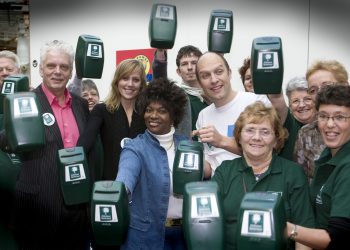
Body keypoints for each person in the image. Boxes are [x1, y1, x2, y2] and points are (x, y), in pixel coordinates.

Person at [0, 40, 93, 249]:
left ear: (70, 72)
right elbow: (5, 140)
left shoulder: (80, 105)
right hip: (37, 211)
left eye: (64, 67)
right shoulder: (26, 101)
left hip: (76, 209)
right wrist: (15, 132)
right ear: (41, 69)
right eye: (51, 65)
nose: (57, 71)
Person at [212, 101, 314, 250]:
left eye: (265, 132)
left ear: (276, 139)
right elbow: (210, 224)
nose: (257, 137)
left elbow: (304, 233)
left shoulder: (292, 173)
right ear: (239, 137)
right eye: (250, 130)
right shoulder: (225, 171)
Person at [116, 78, 188, 249]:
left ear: (174, 115)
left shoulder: (187, 146)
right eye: (149, 110)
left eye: (162, 111)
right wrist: (120, 191)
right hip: (148, 237)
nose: (153, 116)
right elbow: (126, 174)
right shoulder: (135, 148)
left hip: (185, 236)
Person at [286, 85, 350, 250]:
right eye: (323, 116)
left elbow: (337, 237)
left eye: (340, 117)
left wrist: (286, 229)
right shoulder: (327, 156)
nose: (329, 124)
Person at [192, 52, 271, 178]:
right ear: (200, 83)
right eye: (205, 76)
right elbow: (209, 167)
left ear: (229, 73)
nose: (214, 80)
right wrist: (188, 159)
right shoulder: (203, 115)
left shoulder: (255, 101)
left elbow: (269, 151)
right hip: (220, 189)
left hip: (255, 185)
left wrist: (222, 141)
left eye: (218, 71)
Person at [78, 59, 147, 180]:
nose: (130, 84)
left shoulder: (147, 112)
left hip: (142, 184)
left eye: (135, 80)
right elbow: (83, 145)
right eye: (125, 78)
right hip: (110, 186)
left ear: (141, 84)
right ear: (117, 81)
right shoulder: (101, 110)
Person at [293, 59, 349, 183]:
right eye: (313, 90)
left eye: (326, 86)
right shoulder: (306, 133)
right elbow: (300, 179)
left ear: (345, 86)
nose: (320, 94)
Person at [153, 45, 210, 137]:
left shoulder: (213, 94)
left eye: (194, 63)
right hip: (184, 149)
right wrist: (160, 49)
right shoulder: (175, 95)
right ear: (178, 71)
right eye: (184, 64)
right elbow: (159, 81)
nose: (190, 67)